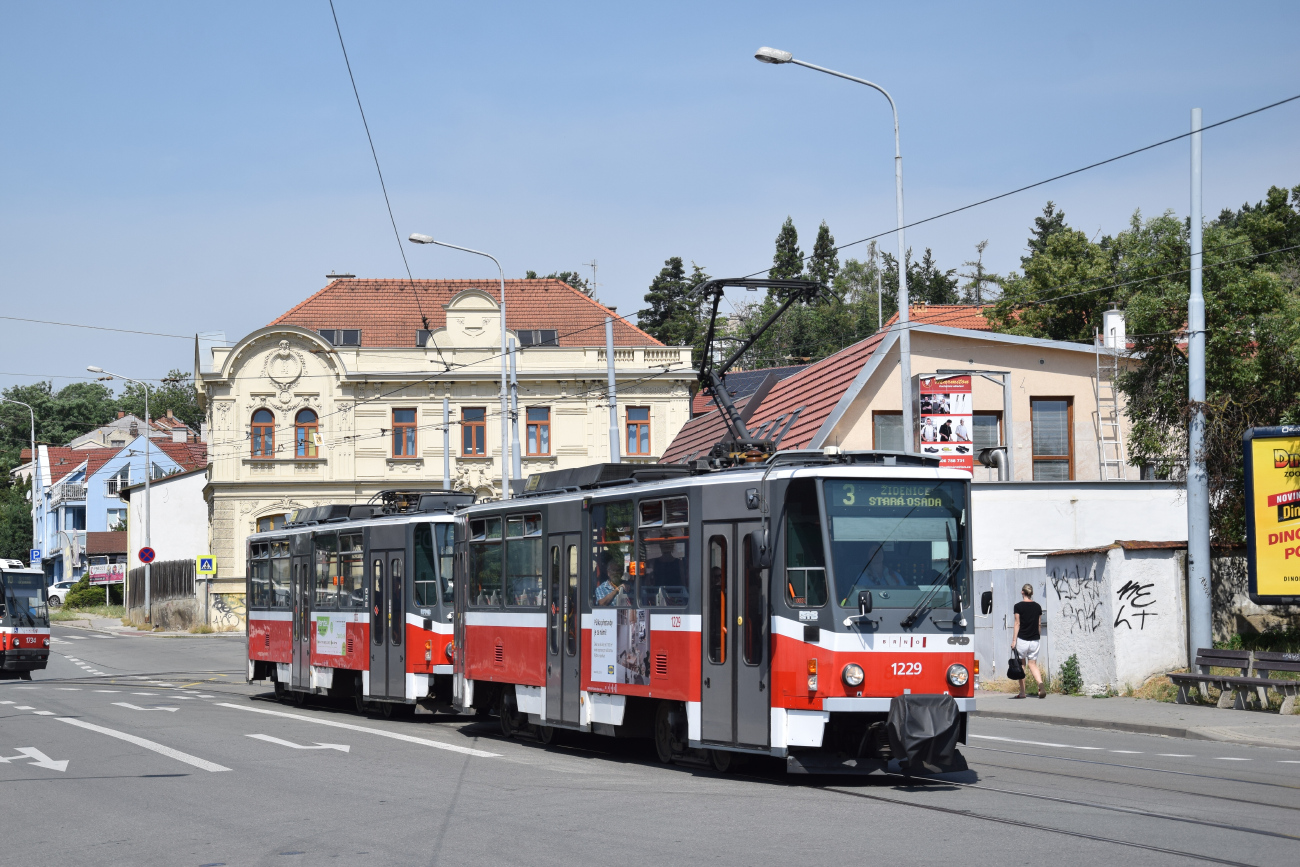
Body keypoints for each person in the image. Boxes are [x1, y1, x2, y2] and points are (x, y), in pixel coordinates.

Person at [1012, 583, 1046, 698]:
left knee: (1022, 665)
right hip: (1035, 640)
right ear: (1031, 593)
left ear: (1022, 592)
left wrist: (1014, 641)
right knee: (1033, 664)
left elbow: (1017, 623)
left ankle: (1022, 692)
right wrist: (1037, 636)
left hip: (1022, 640)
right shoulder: (1038, 606)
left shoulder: (1018, 606)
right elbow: (1039, 624)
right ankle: (1040, 684)